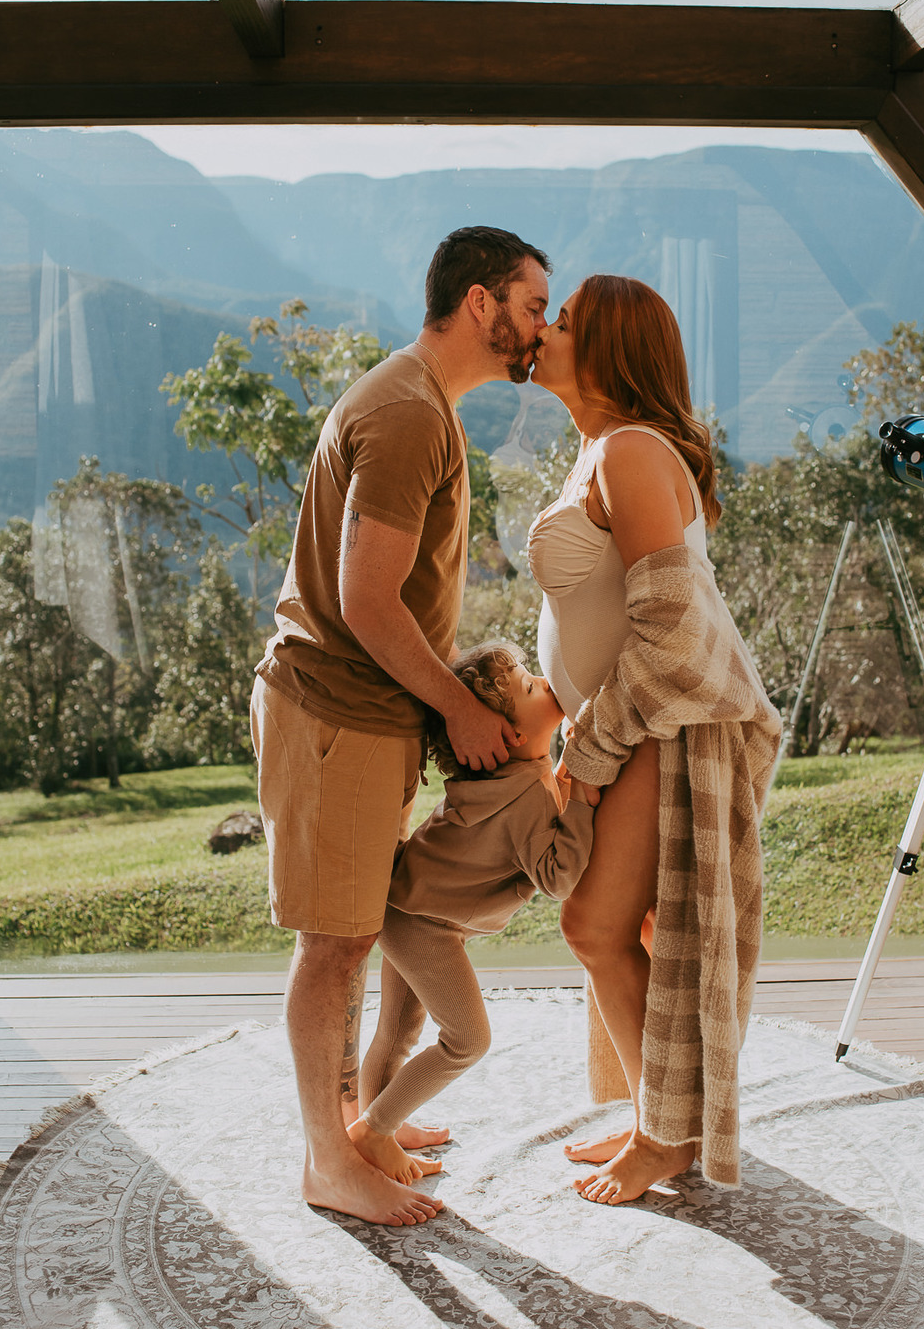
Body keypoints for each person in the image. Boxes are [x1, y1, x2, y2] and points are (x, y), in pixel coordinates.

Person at [252, 227, 551, 1227]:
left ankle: (349, 1126)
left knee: (354, 929)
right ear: (480, 301)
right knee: (334, 944)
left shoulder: (419, 404)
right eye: (531, 304)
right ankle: (324, 1162)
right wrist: (462, 706)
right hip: (336, 713)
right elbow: (368, 600)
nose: (538, 327)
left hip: (364, 716)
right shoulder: (408, 414)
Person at [528, 274, 781, 1206]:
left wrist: (588, 753)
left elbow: (669, 632)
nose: (543, 332)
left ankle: (664, 1138)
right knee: (621, 931)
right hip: (623, 727)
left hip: (653, 734)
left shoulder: (631, 452)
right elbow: (593, 612)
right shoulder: (600, 447)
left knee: (594, 927)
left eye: (562, 321)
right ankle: (656, 1120)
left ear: (608, 349)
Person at [347, 640, 599, 1184]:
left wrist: (563, 771)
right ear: (509, 734)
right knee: (467, 1040)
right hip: (425, 924)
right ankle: (372, 1133)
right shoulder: (527, 791)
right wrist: (582, 798)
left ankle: (381, 1121)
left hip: (403, 905)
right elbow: (556, 876)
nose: (542, 681)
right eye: (530, 686)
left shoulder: (507, 777)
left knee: (399, 1029)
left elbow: (529, 804)